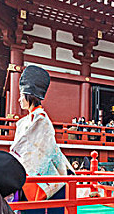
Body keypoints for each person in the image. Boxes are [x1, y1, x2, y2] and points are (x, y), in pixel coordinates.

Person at [10, 65, 70, 201]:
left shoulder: (40, 118)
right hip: (26, 167)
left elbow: (35, 148)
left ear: (29, 96)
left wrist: (14, 155)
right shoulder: (25, 120)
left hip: (35, 169)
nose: (19, 100)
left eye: (21, 96)